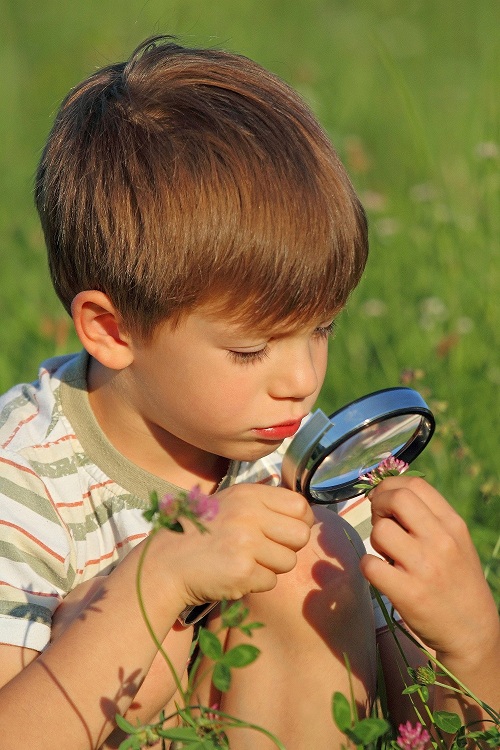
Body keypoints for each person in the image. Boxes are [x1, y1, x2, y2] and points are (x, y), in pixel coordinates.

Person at [0, 35, 497, 749]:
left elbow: (445, 732)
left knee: (307, 560)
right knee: (118, 617)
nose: (300, 382)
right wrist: (156, 582)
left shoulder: (307, 460)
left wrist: (472, 641)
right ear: (112, 330)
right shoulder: (24, 479)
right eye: (249, 349)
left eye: (320, 330)